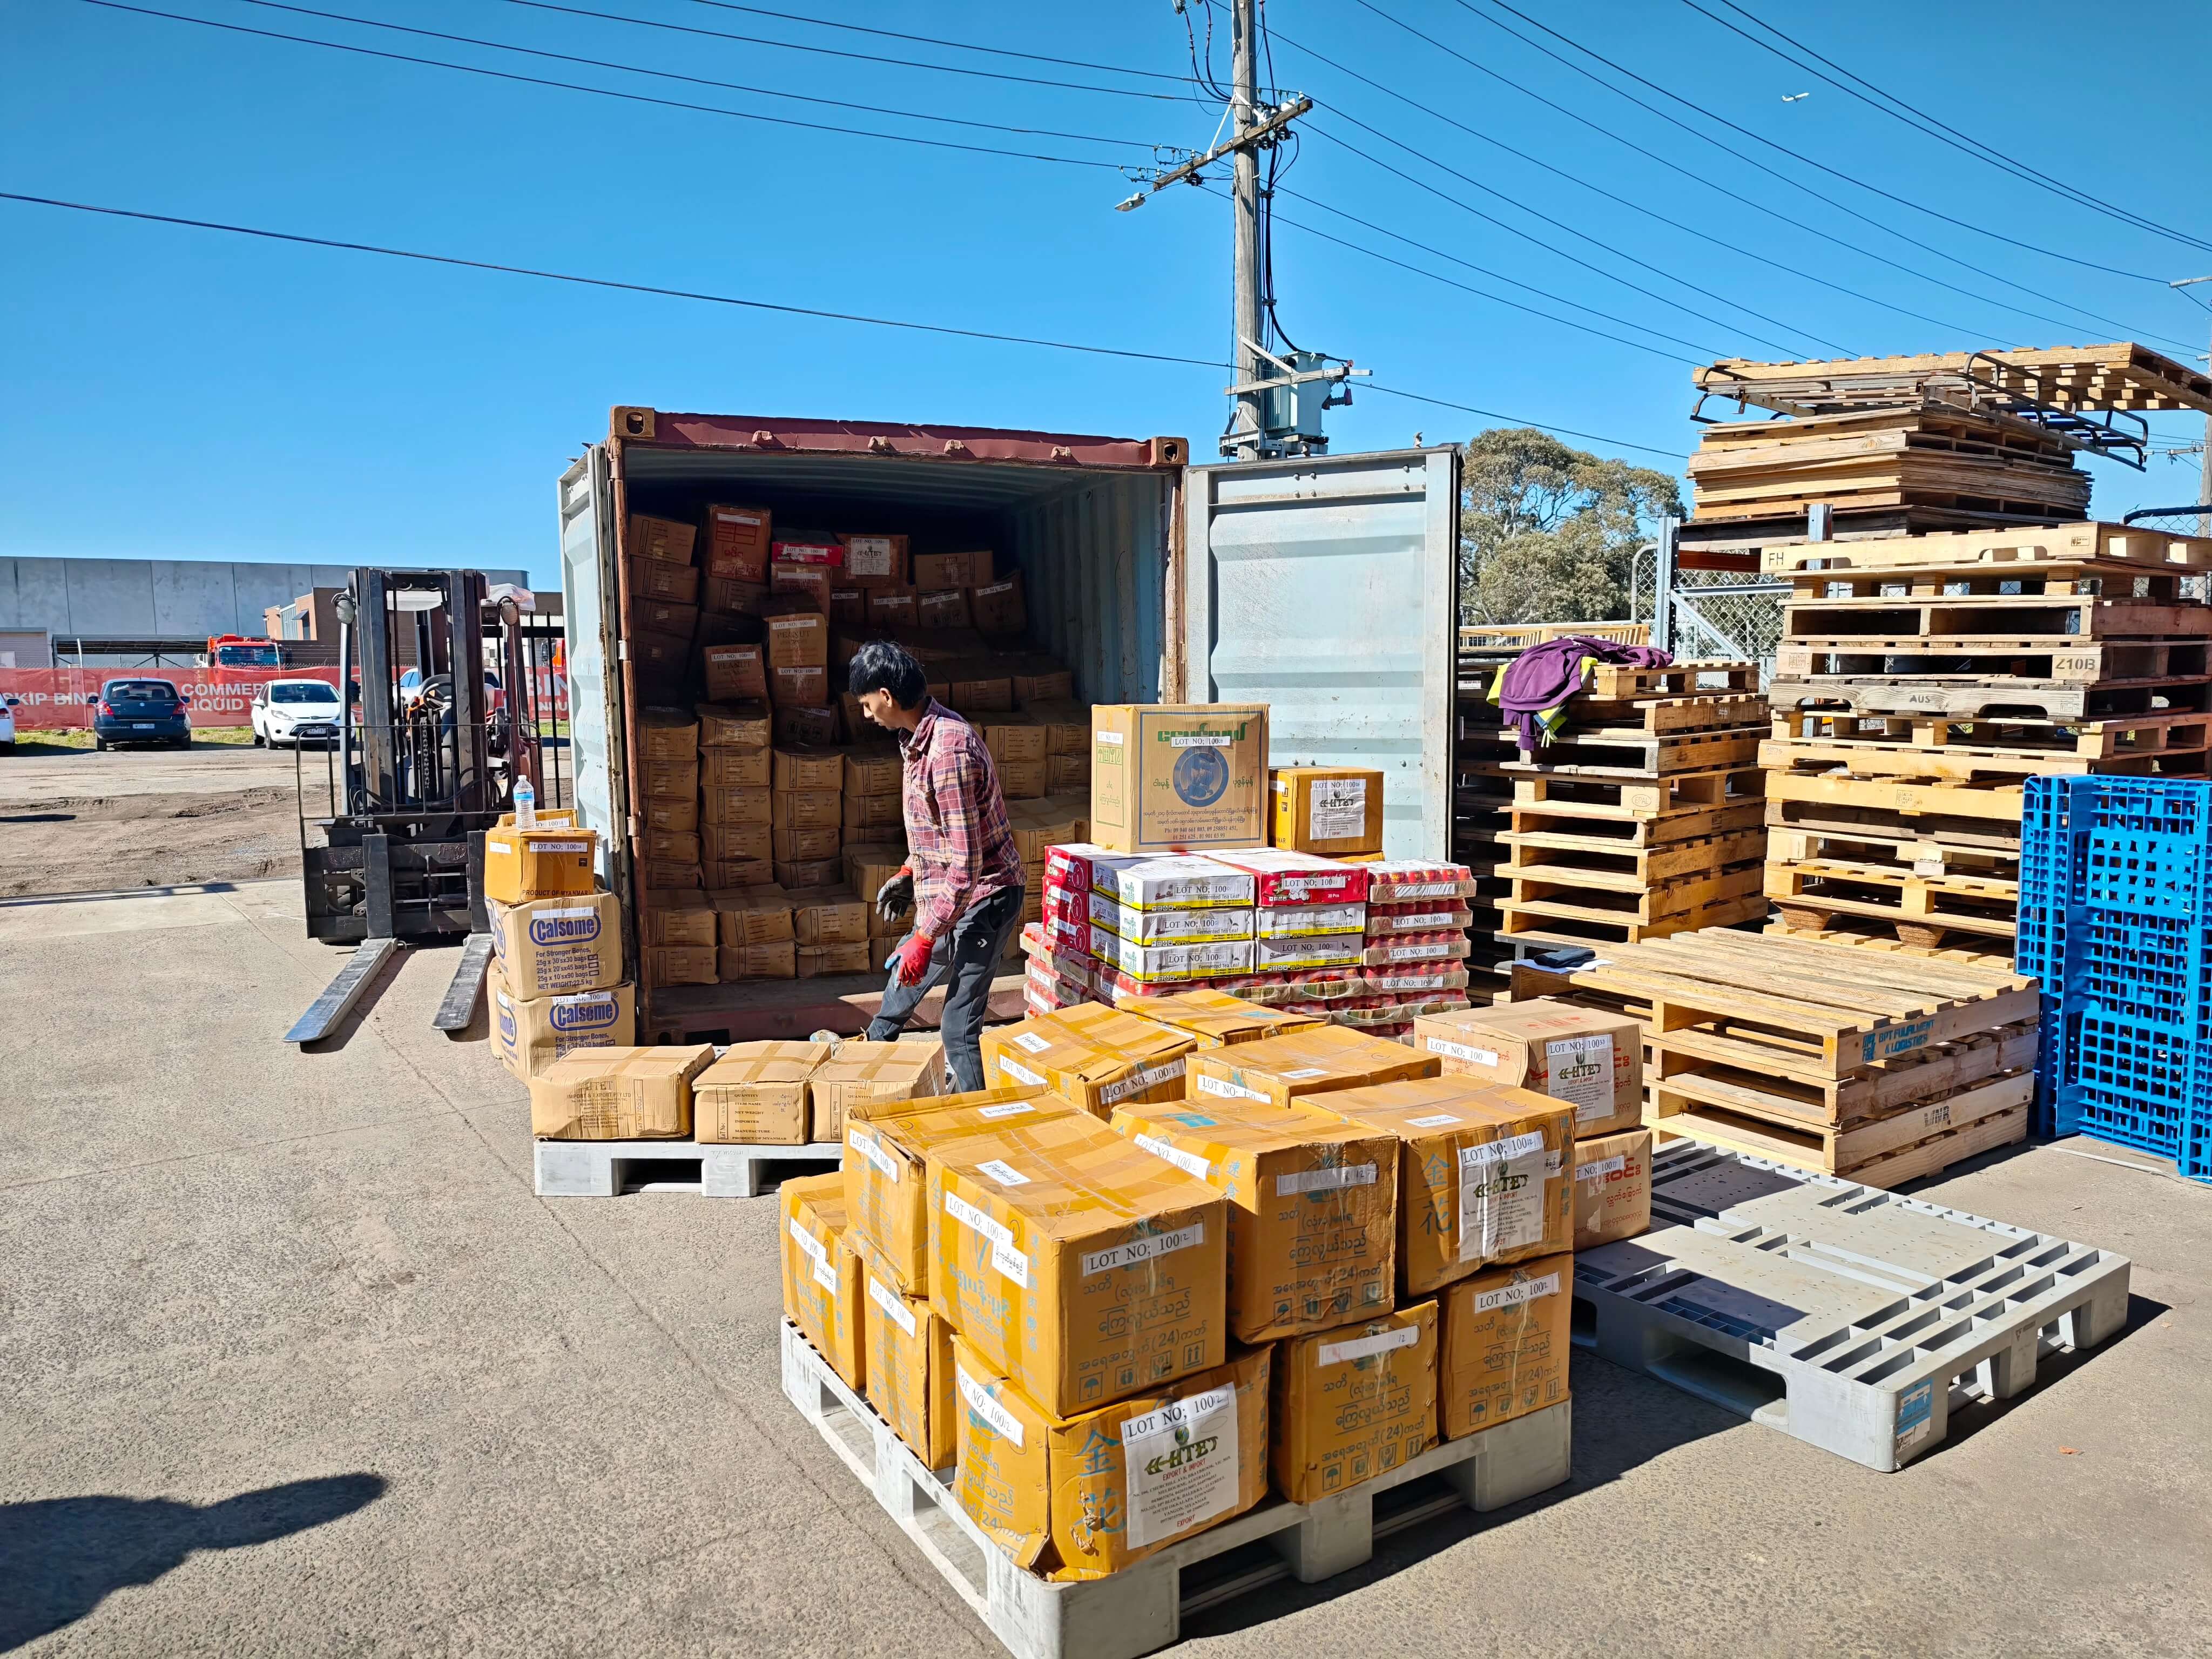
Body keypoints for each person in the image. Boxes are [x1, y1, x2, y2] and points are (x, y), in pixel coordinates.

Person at [847, 639, 1025, 1091]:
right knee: (904, 973)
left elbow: (967, 864)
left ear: (886, 696)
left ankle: (975, 1116)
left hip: (987, 894)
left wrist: (926, 936)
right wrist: (910, 872)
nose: (866, 716)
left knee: (957, 1027)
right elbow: (936, 828)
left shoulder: (948, 752)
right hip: (951, 890)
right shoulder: (915, 740)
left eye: (867, 705)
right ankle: (864, 1063)